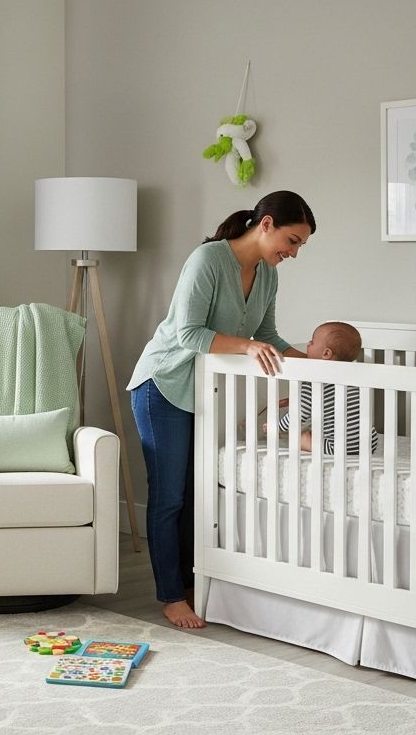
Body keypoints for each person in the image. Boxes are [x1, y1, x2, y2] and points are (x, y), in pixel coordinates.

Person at [127, 190, 316, 629]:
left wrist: (315, 362)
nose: (293, 253)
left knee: (198, 494)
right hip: (165, 385)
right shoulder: (208, 260)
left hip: (204, 393)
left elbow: (266, 332)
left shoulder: (267, 275)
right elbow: (189, 333)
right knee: (169, 496)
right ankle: (171, 596)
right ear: (265, 224)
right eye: (292, 241)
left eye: (300, 245)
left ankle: (192, 584)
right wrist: (249, 347)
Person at [273, 321, 381, 455]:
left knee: (300, 437)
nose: (308, 343)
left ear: (326, 353)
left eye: (312, 341)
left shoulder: (313, 380)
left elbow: (299, 413)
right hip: (368, 443)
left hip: (337, 447)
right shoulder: (352, 376)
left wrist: (278, 426)